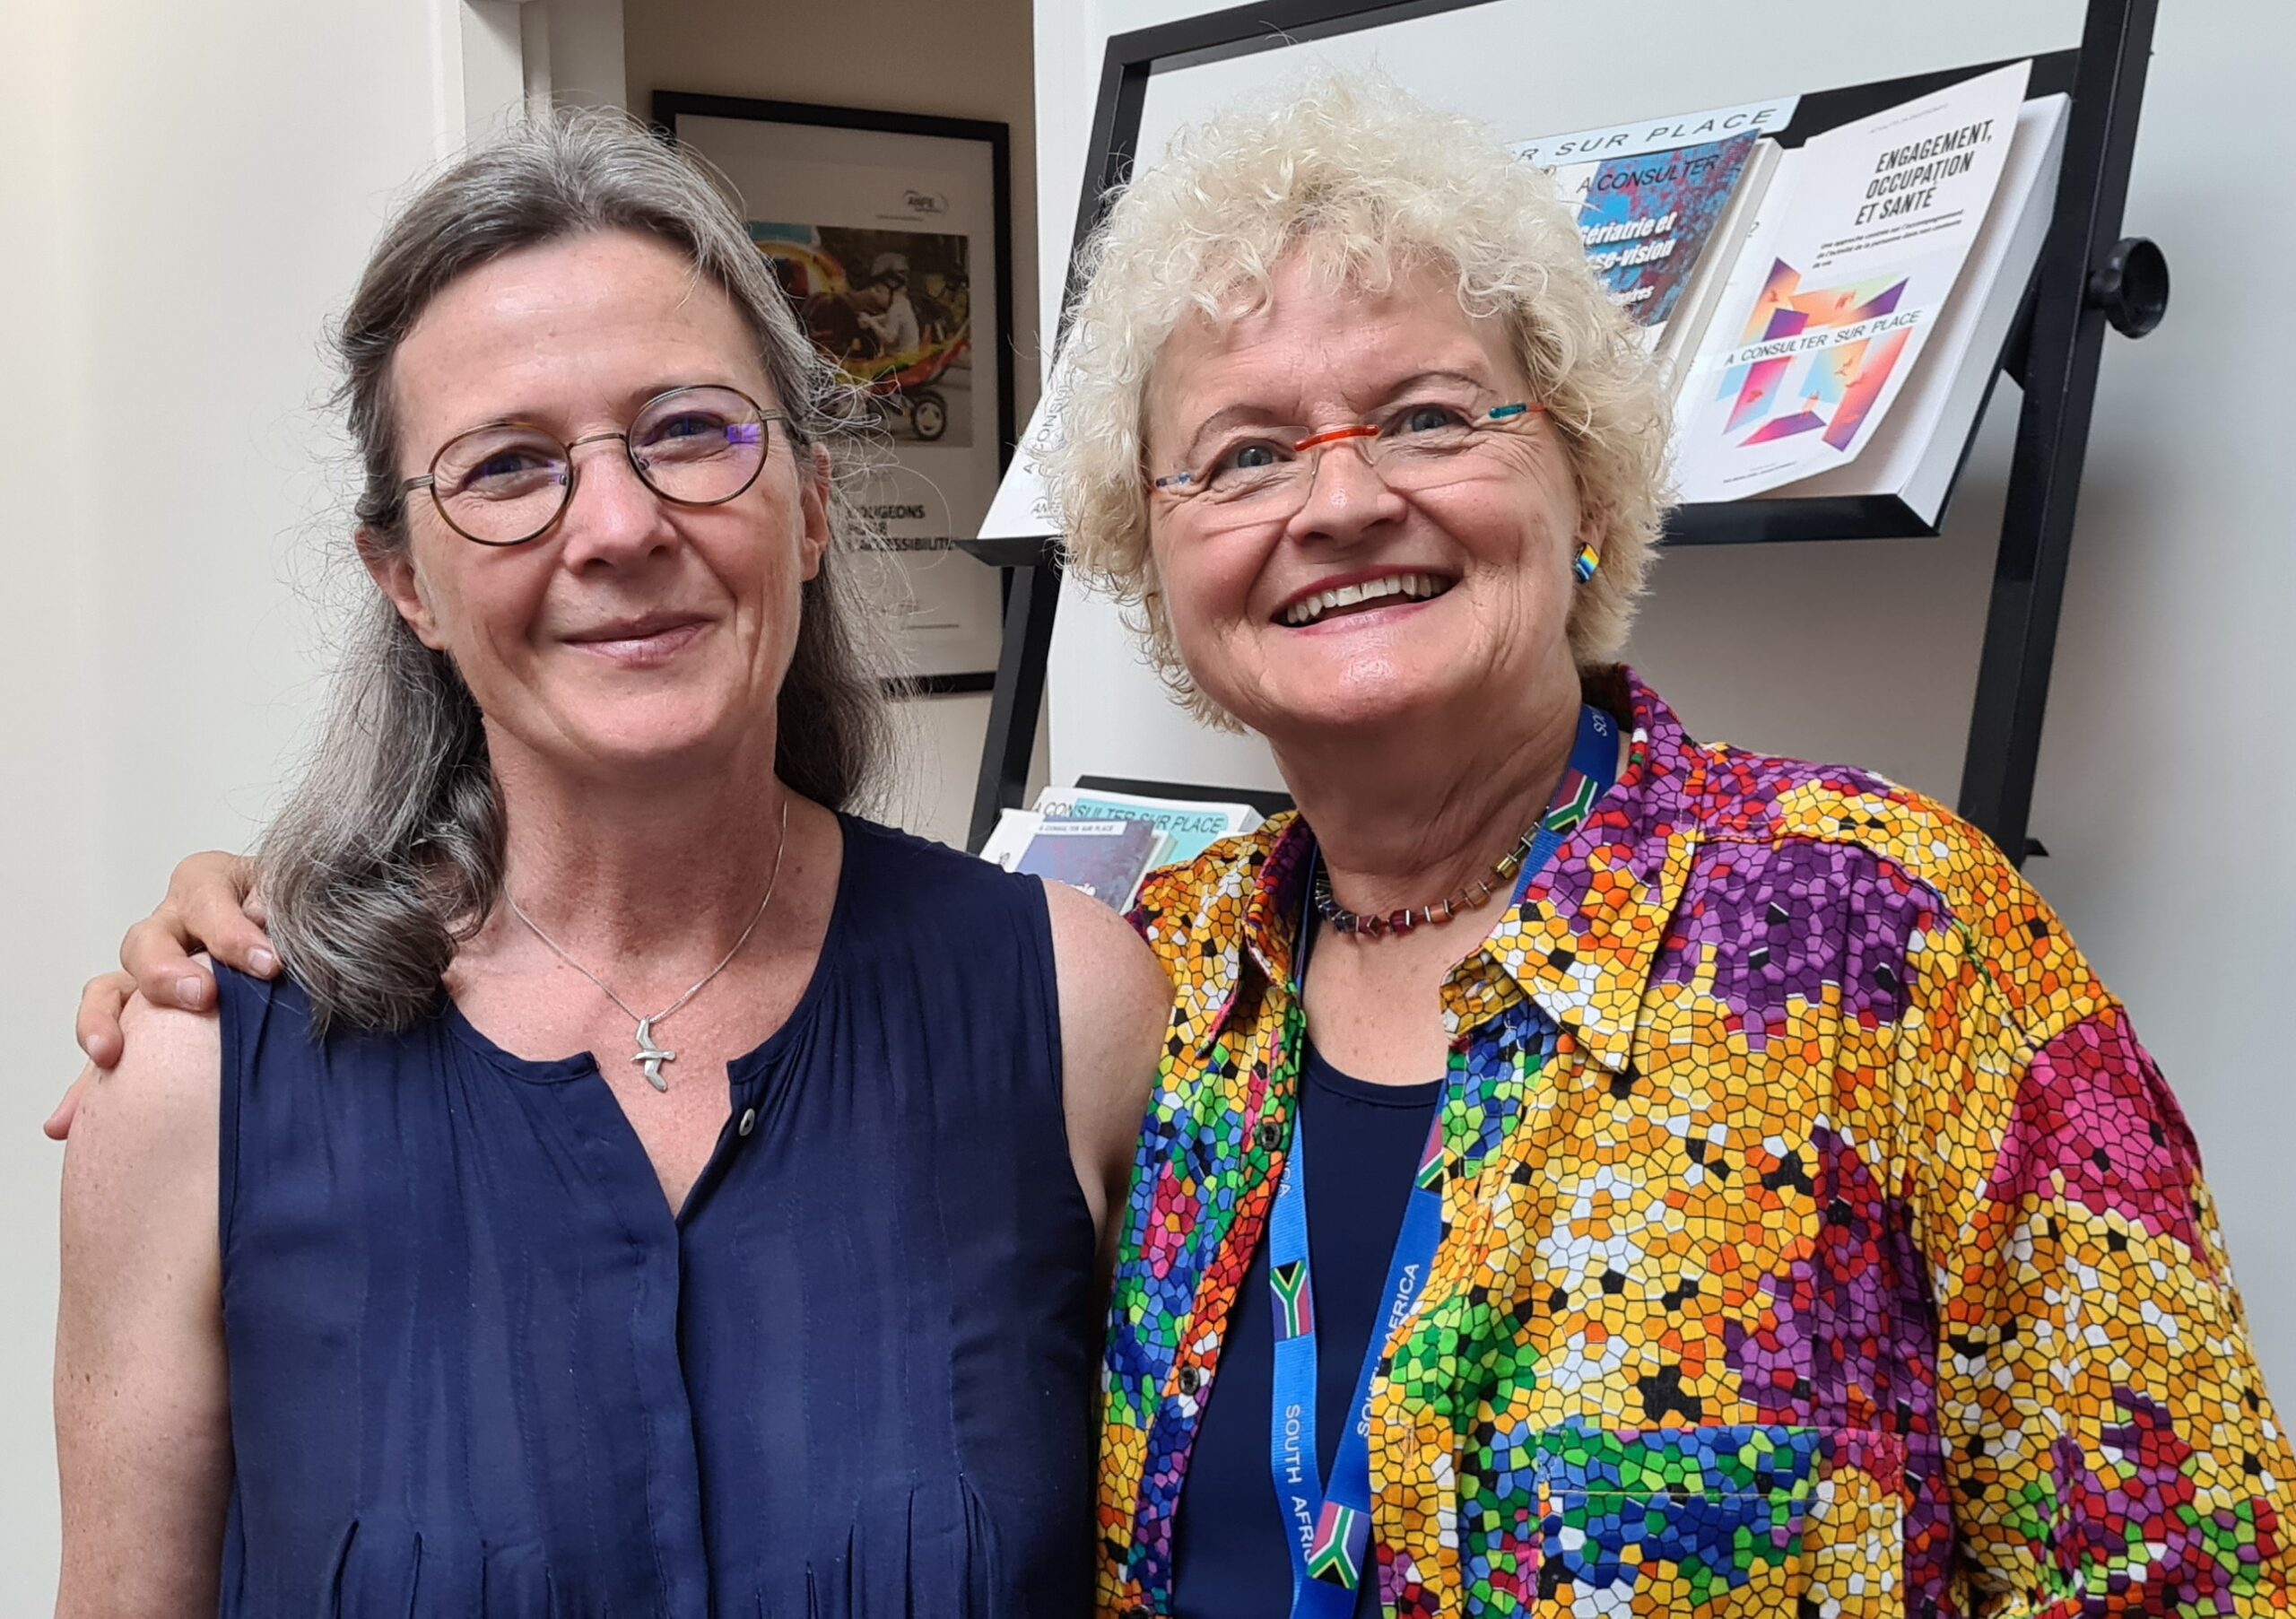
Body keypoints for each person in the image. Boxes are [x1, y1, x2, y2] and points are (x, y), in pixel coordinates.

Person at [69, 75, 2296, 1619]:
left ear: (1585, 473)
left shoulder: (1884, 941)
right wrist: (240, 924)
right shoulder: (1176, 973)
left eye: (1425, 415)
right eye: (1239, 456)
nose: (1339, 501)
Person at [49, 110, 1166, 1617]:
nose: (622, 526)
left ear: (811, 505)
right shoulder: (195, 1081)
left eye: (691, 431)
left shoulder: (1073, 1011)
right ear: (407, 582)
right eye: (509, 465)